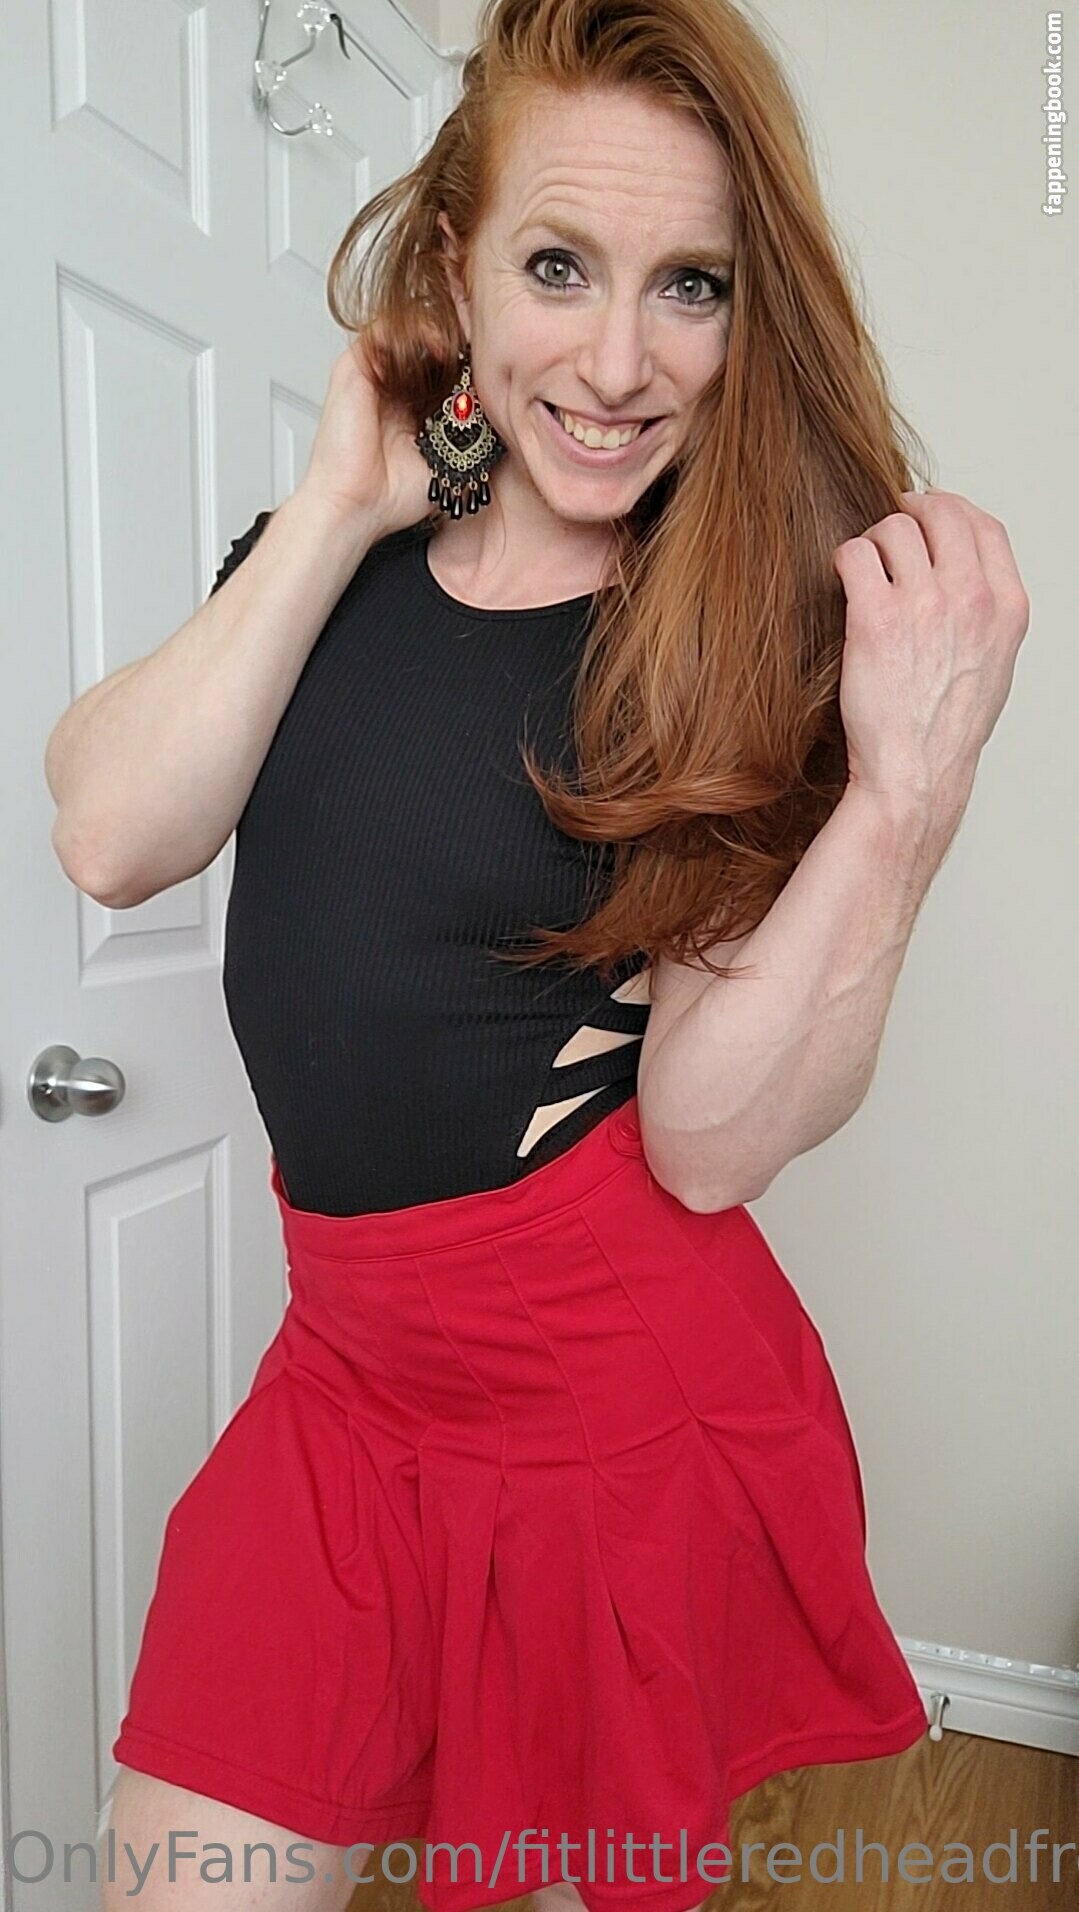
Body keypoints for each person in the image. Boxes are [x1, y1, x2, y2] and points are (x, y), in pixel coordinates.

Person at [45, 1, 1029, 1908]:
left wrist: (906, 797)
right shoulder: (323, 566)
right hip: (345, 1374)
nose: (618, 360)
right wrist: (338, 497)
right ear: (455, 270)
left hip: (606, 1393)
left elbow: (711, 1143)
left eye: (690, 287)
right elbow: (110, 829)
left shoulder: (727, 645)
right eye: (560, 266)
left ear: (744, 315)